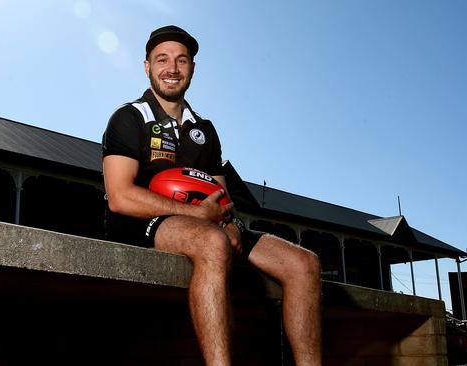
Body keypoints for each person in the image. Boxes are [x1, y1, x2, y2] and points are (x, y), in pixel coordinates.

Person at [102, 25, 322, 366]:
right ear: (147, 67)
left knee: (304, 263)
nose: (172, 68)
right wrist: (199, 218)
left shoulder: (203, 129)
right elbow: (119, 197)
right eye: (162, 59)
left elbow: (222, 199)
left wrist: (231, 226)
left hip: (206, 221)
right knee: (213, 243)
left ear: (192, 68)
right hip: (142, 221)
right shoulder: (129, 118)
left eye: (181, 60)